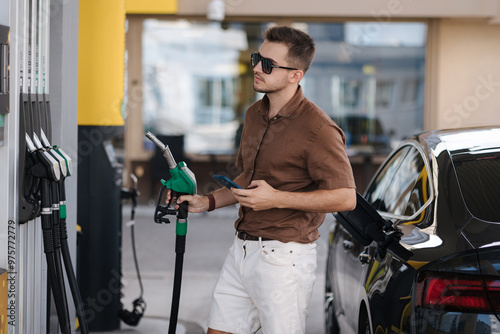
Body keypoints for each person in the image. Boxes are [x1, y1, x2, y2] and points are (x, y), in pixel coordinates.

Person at [170, 25, 356, 334]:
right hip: (242, 250)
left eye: (267, 64)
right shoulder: (254, 114)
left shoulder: (319, 128)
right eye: (258, 58)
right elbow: (249, 178)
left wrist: (277, 198)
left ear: (295, 75)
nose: (256, 67)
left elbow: (345, 197)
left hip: (285, 258)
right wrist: (208, 201)